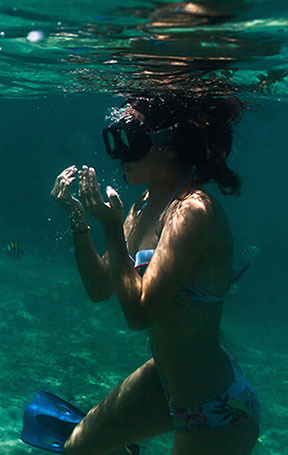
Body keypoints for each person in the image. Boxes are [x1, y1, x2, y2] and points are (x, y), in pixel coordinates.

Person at [48, 94, 260, 454]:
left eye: (132, 136)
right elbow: (100, 287)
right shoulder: (144, 204)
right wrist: (77, 218)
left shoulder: (192, 210)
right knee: (76, 449)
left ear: (170, 146)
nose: (120, 151)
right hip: (164, 380)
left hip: (218, 409)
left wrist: (113, 229)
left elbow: (140, 313)